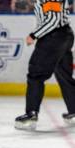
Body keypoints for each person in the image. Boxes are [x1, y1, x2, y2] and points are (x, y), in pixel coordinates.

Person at [15, 0, 75, 130]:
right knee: (65, 76)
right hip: (64, 36)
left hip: (53, 38)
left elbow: (53, 20)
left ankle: (31, 114)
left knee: (35, 75)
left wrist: (33, 35)